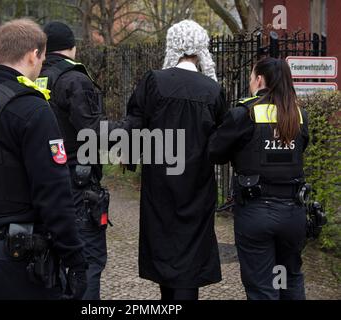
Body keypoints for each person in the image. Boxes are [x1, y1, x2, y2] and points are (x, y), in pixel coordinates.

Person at [0, 19, 87, 300]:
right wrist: (75, 258)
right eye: (42, 57)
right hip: (17, 258)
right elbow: (54, 193)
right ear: (34, 54)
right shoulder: (30, 108)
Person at [125, 20, 226, 300]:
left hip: (160, 187)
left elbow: (133, 127)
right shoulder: (213, 90)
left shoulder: (154, 81)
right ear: (201, 48)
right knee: (190, 261)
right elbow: (221, 141)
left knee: (164, 255)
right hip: (197, 188)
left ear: (172, 45)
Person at [38, 21, 139, 300]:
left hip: (42, 184)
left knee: (52, 261)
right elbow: (93, 134)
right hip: (77, 186)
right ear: (73, 46)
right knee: (86, 262)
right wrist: (130, 125)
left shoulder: (34, 77)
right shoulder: (74, 79)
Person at [209, 57, 309, 300]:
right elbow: (300, 148)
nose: (251, 82)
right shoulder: (298, 114)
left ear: (260, 79)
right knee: (288, 280)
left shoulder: (245, 112)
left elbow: (214, 151)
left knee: (263, 288)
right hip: (293, 214)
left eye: (252, 77)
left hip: (257, 214)